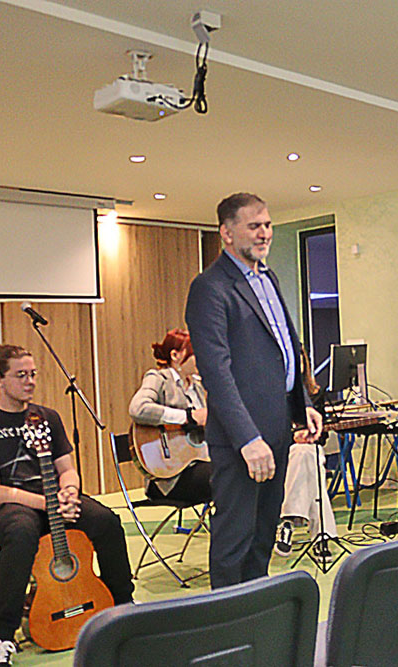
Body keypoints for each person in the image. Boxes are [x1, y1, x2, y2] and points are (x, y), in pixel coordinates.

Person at [0, 344, 133, 667]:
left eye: (33, 374)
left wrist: (69, 491)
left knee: (106, 521)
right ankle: (2, 637)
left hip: (53, 501)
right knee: (21, 533)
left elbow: (66, 469)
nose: (30, 381)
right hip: (9, 506)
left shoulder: (48, 417)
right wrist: (48, 503)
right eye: (21, 375)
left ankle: (123, 606)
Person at [185, 191, 322, 589]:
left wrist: (302, 404)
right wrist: (248, 439)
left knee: (263, 538)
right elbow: (216, 372)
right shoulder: (210, 287)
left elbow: (285, 348)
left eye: (268, 225)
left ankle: (256, 614)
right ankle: (227, 621)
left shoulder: (268, 278)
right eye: (254, 226)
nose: (265, 233)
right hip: (241, 440)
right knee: (235, 541)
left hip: (277, 428)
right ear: (227, 233)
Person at [128, 328, 212, 502]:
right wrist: (188, 417)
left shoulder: (196, 386)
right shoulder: (158, 378)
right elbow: (138, 408)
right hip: (169, 478)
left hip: (199, 462)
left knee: (235, 469)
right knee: (225, 477)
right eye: (196, 353)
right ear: (175, 355)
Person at [274, 350, 339, 559]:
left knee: (309, 452)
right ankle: (322, 537)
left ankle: (288, 522)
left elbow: (321, 435)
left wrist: (309, 435)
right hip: (280, 454)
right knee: (309, 459)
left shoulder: (314, 395)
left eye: (300, 362)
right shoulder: (273, 394)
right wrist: (293, 437)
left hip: (308, 453)